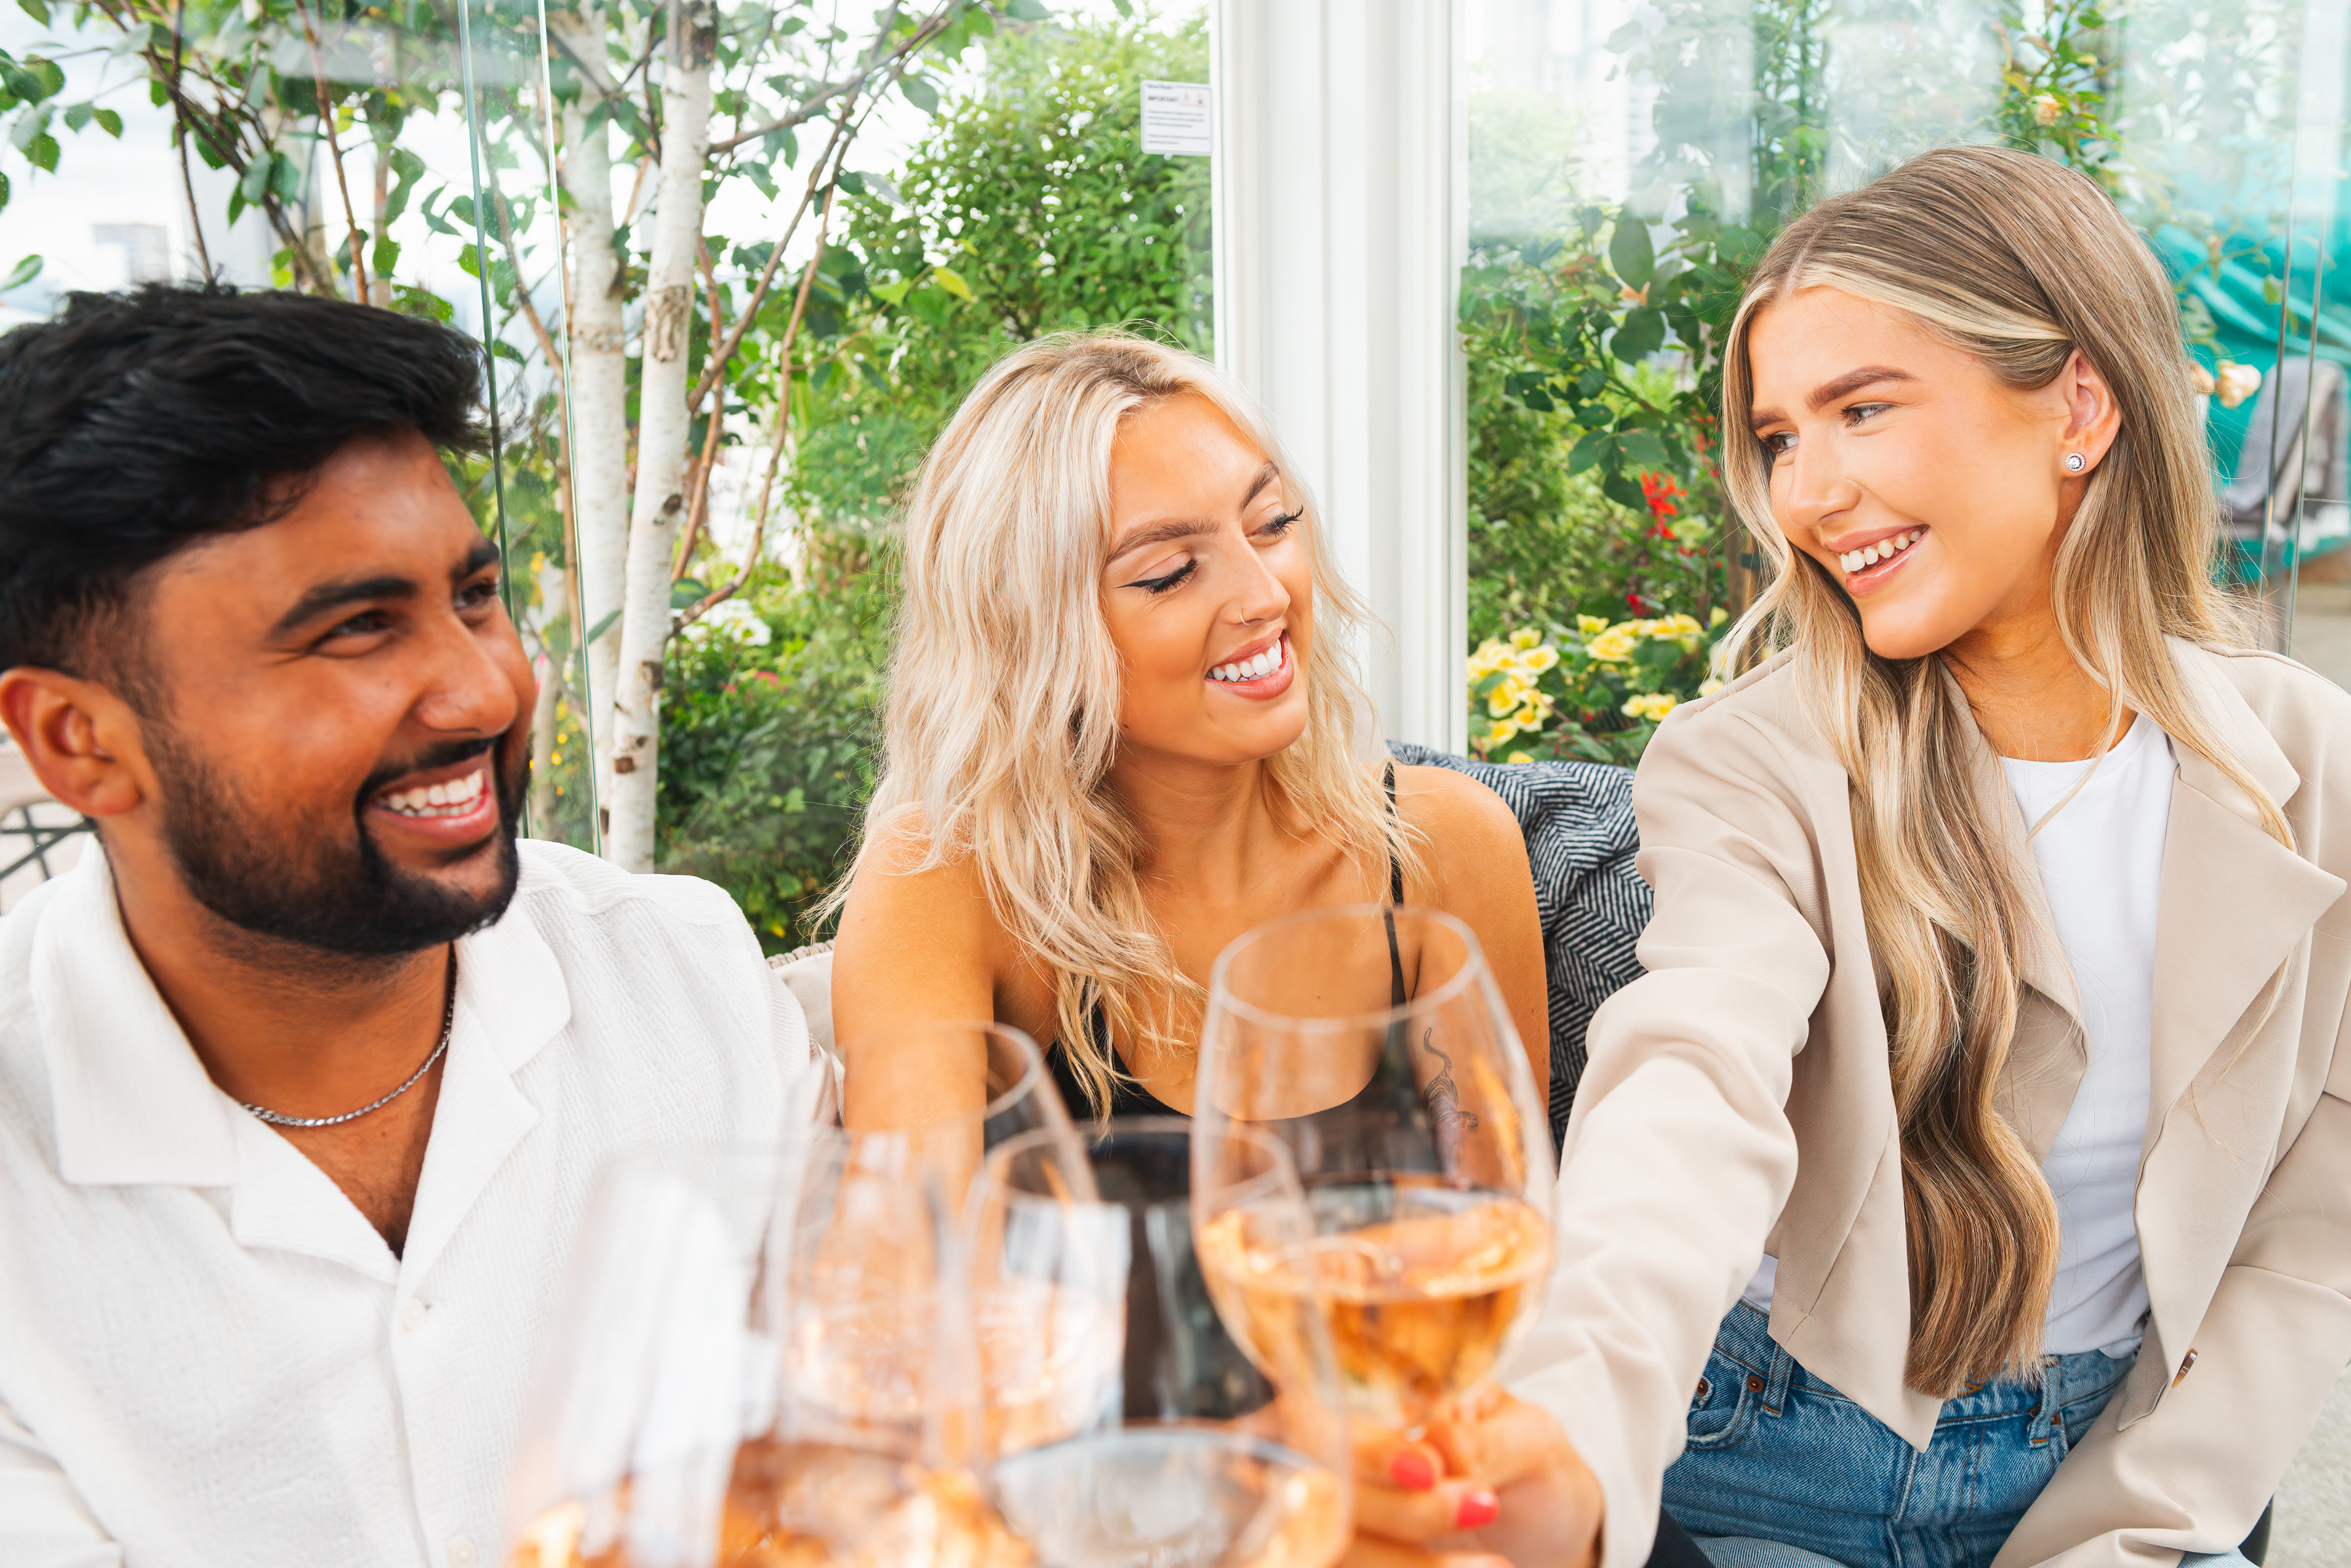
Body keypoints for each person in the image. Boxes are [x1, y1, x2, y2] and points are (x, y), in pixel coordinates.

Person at [1464, 144, 2351, 1568]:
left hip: (2123, 1460)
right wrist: (1571, 1427)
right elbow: (1693, 1081)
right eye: (1780, 438)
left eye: (1861, 410)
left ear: (2079, 407)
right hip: (1762, 1465)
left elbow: (2311, 1229)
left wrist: (2151, 1520)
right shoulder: (1749, 761)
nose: (1807, 494)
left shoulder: (2307, 762)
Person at [0, 284, 812, 1567]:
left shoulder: (683, 981)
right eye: (358, 630)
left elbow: (853, 1455)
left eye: (475, 596)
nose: (486, 689)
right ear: (80, 742)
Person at [823, 332, 1617, 1565]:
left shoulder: (1448, 852)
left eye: (1273, 523)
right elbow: (908, 1327)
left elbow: (1511, 1266)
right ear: (1032, 630)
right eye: (1167, 572)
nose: (1262, 593)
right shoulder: (946, 883)